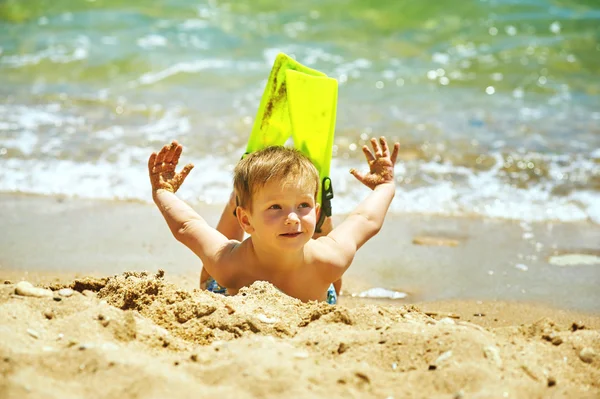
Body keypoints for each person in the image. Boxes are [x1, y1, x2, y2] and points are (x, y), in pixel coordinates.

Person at [148, 136, 399, 304]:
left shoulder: (329, 258)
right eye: (276, 207)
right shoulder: (230, 263)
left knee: (334, 280)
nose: (291, 218)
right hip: (230, 288)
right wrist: (162, 192)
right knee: (209, 278)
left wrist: (385, 186)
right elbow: (188, 225)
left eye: (302, 205)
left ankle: (312, 209)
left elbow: (365, 219)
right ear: (246, 222)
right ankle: (238, 199)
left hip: (321, 290)